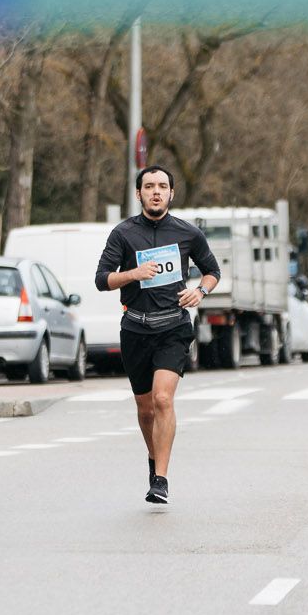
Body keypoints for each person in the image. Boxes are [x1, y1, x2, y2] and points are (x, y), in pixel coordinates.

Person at [94, 165, 219, 505]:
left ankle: (160, 480)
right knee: (146, 408)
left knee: (163, 399)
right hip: (135, 327)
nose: (156, 191)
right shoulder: (123, 234)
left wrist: (201, 293)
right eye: (149, 186)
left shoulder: (188, 233)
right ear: (139, 194)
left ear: (171, 194)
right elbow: (102, 279)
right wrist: (132, 273)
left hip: (173, 327)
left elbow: (212, 271)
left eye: (162, 186)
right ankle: (154, 459)